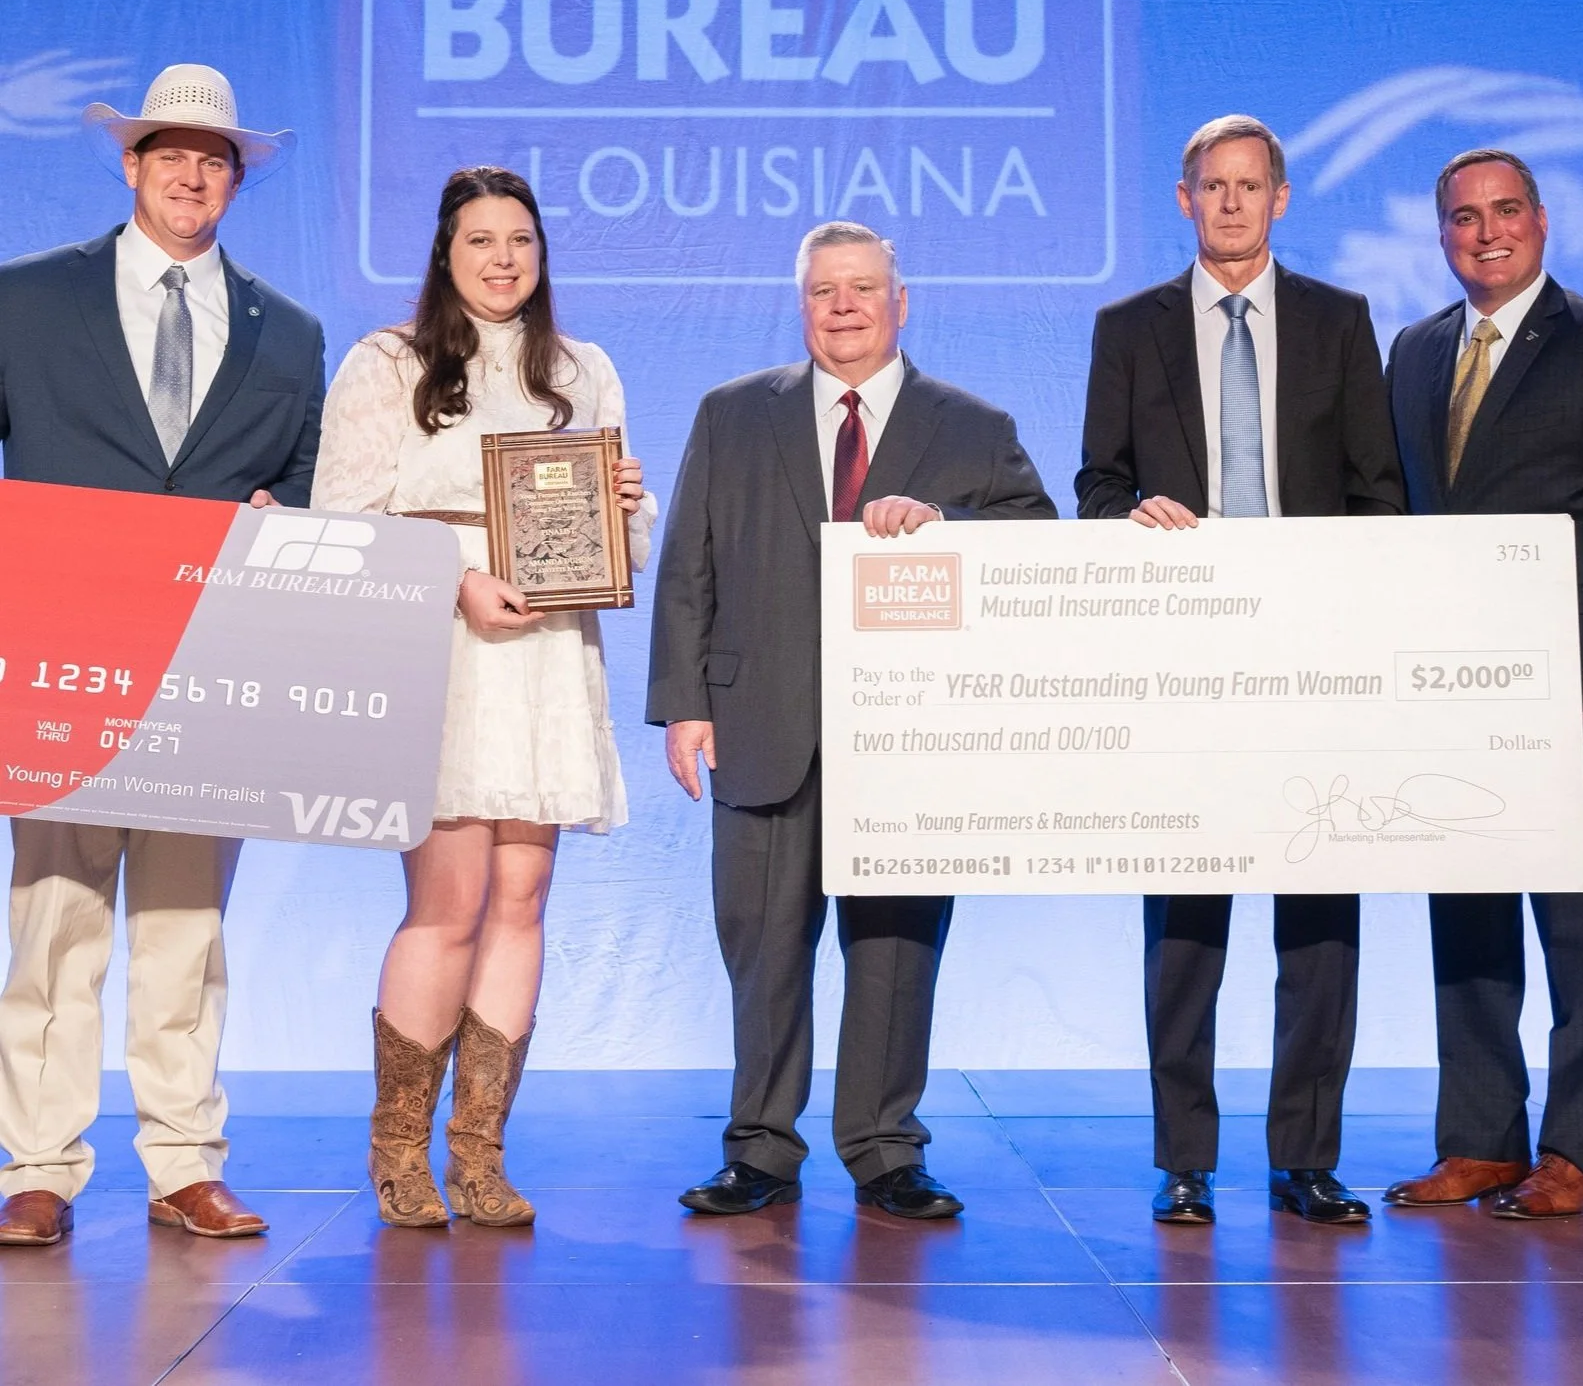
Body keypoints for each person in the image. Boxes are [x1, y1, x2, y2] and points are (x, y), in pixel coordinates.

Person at [649, 220, 1055, 1222]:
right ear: (802, 304)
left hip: (911, 738)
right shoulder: (733, 411)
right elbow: (687, 560)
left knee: (895, 949)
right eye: (824, 290)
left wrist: (942, 531)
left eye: (862, 288)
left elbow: (1034, 548)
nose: (842, 306)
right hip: (758, 719)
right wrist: (684, 704)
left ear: (899, 301)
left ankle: (884, 1146)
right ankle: (759, 1146)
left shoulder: (970, 422)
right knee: (762, 945)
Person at [0, 63, 324, 1246]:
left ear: (236, 178)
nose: (192, 173)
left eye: (216, 157)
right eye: (171, 152)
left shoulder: (288, 329)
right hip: (61, 649)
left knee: (187, 924)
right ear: (129, 163)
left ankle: (184, 1158)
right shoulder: (24, 299)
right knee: (54, 913)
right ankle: (39, 1160)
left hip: (208, 660)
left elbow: (296, 485)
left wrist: (279, 522)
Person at [1076, 114, 1405, 1228]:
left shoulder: (1335, 320)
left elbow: (1377, 492)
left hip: (1315, 658)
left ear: (1280, 197)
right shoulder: (1126, 327)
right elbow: (1094, 483)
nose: (1228, 202)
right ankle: (1183, 1159)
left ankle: (1305, 1157)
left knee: (1318, 915)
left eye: (1247, 185)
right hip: (1179, 660)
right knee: (1183, 923)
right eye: (1209, 185)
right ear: (1180, 200)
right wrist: (1130, 514)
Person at [311, 164, 653, 1229]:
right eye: (480, 241)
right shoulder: (389, 363)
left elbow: (622, 541)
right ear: (444, 254)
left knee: (520, 900)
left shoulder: (583, 369)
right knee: (447, 903)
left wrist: (627, 507)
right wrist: (454, 581)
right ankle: (399, 1148)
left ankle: (479, 1153)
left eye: (521, 240)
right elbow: (346, 518)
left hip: (549, 653)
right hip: (444, 651)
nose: (503, 258)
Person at [1382, 149, 1583, 1219]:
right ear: (1441, 232)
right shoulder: (1412, 352)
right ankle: (1481, 1141)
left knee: (1580, 925)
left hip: (1579, 687)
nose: (1483, 232)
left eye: (1503, 212)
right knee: (1465, 921)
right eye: (1461, 217)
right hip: (1448, 687)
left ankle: (1578, 1151)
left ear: (1540, 222)